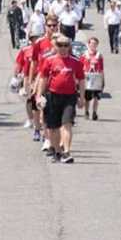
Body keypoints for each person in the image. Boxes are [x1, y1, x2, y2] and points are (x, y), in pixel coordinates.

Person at [37, 35, 85, 164]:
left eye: (66, 45)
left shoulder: (76, 62)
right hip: (52, 96)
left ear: (69, 47)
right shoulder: (49, 60)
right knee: (53, 127)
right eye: (60, 45)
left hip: (69, 97)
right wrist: (39, 95)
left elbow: (81, 80)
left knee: (67, 124)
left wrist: (82, 97)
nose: (63, 48)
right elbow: (43, 79)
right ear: (56, 46)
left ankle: (67, 151)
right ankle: (57, 151)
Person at [15, 34, 40, 138]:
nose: (35, 40)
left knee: (40, 100)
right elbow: (19, 62)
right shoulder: (25, 50)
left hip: (40, 77)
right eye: (34, 38)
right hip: (27, 77)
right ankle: (30, 120)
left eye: (37, 38)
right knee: (29, 99)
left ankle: (39, 121)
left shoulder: (42, 50)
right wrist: (16, 74)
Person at [80, 37, 104, 120]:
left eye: (95, 43)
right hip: (87, 77)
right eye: (92, 43)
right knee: (87, 97)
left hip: (96, 77)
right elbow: (80, 67)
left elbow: (101, 68)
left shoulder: (99, 55)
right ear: (89, 44)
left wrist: (102, 80)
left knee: (96, 97)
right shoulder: (84, 55)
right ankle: (86, 111)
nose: (93, 45)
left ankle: (94, 112)